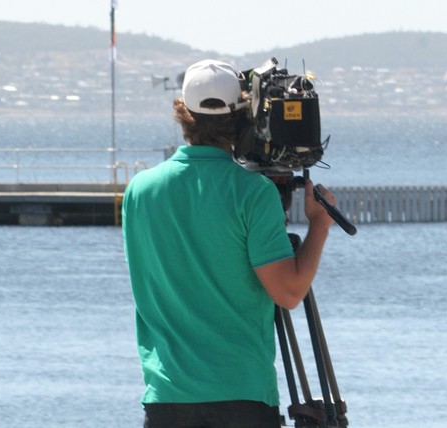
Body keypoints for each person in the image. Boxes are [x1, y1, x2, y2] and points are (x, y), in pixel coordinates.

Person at [122, 59, 335, 428]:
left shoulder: (140, 190)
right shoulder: (252, 193)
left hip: (167, 398)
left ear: (183, 112)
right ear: (244, 117)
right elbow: (288, 293)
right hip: (242, 396)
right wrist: (320, 225)